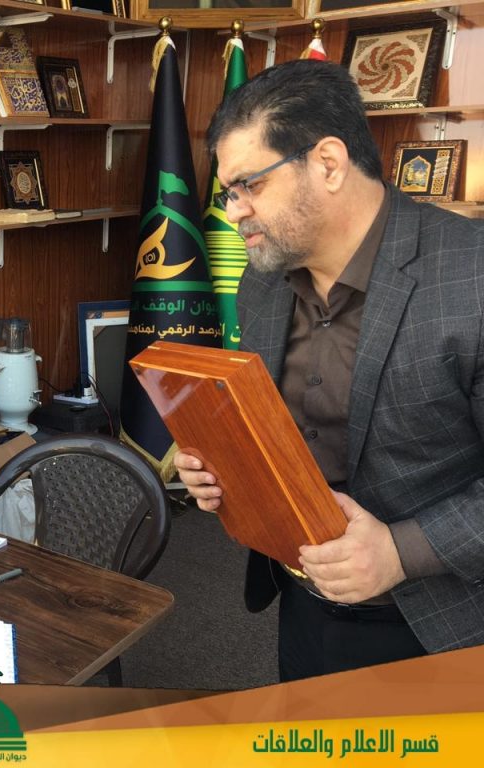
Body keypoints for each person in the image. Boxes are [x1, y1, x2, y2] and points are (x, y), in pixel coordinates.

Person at [174, 60, 484, 681]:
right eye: (228, 193)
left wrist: (401, 552)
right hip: (302, 601)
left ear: (329, 163)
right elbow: (277, 431)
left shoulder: (472, 277)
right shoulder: (261, 283)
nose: (234, 212)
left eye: (248, 186)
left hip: (445, 624)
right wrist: (223, 467)